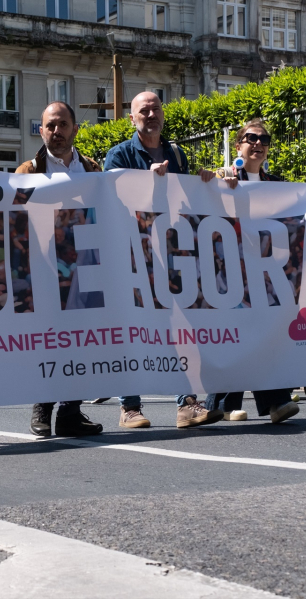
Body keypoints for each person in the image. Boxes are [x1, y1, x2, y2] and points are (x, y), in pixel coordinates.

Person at [104, 91, 219, 430]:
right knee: (132, 329)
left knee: (178, 331)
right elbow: (110, 196)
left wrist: (203, 181)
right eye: (143, 110)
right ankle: (129, 406)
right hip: (132, 255)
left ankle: (185, 403)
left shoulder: (177, 154)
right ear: (131, 118)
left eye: (155, 108)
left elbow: (185, 199)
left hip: (171, 253)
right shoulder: (120, 154)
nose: (151, 114)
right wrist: (143, 179)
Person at [15, 101, 105, 438]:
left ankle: (70, 411)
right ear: (41, 131)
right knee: (48, 340)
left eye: (63, 125)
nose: (57, 132)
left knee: (83, 341)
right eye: (50, 126)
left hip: (86, 267)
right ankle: (42, 408)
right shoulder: (27, 171)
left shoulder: (94, 170)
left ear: (75, 129)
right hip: (44, 268)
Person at [207, 119, 301, 424]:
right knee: (236, 335)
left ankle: (273, 401)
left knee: (262, 334)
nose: (258, 144)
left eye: (264, 139)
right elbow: (204, 196)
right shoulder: (225, 175)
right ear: (238, 145)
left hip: (264, 272)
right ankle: (224, 402)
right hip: (232, 270)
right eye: (251, 138)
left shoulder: (275, 183)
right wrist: (219, 183)